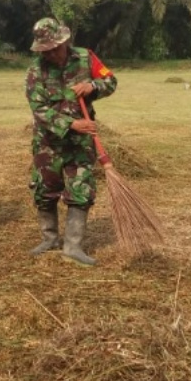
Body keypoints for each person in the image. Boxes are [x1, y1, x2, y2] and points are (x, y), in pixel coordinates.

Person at [25, 17, 117, 266]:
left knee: (81, 190)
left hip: (80, 143)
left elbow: (111, 81)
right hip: (48, 142)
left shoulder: (86, 58)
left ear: (65, 41)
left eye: (56, 47)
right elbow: (38, 108)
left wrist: (93, 86)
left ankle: (73, 246)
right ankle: (49, 238)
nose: (52, 53)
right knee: (45, 190)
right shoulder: (36, 70)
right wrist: (70, 124)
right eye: (47, 50)